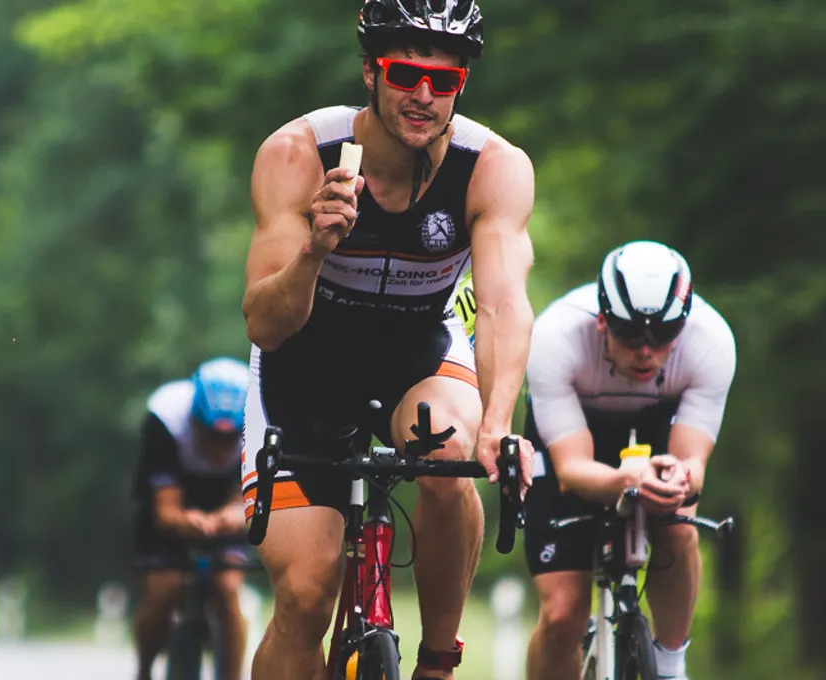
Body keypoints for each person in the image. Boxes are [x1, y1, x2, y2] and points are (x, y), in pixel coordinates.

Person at [239, 1, 538, 677]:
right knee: (307, 594)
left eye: (446, 81)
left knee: (449, 446)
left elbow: (499, 306)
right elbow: (264, 322)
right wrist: (313, 252)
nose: (424, 96)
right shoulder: (298, 154)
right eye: (406, 74)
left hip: (416, 355)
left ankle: (438, 660)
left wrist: (498, 424)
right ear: (371, 71)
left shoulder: (492, 167)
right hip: (302, 368)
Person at [520, 241, 735, 680]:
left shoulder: (711, 341)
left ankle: (672, 667)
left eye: (663, 335)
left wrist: (680, 478)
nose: (645, 351)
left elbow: (693, 464)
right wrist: (625, 478)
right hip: (575, 437)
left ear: (685, 322)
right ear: (602, 320)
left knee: (678, 531)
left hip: (658, 428)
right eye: (629, 333)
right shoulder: (556, 335)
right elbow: (571, 471)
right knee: (563, 613)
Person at [130, 358, 258, 680]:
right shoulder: (166, 417)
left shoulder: (258, 421)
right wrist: (186, 520)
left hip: (226, 498)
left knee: (228, 589)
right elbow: (164, 510)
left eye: (227, 441)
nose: (217, 449)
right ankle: (144, 668)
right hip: (174, 496)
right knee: (165, 586)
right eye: (209, 436)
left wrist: (235, 515)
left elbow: (250, 499)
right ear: (194, 419)